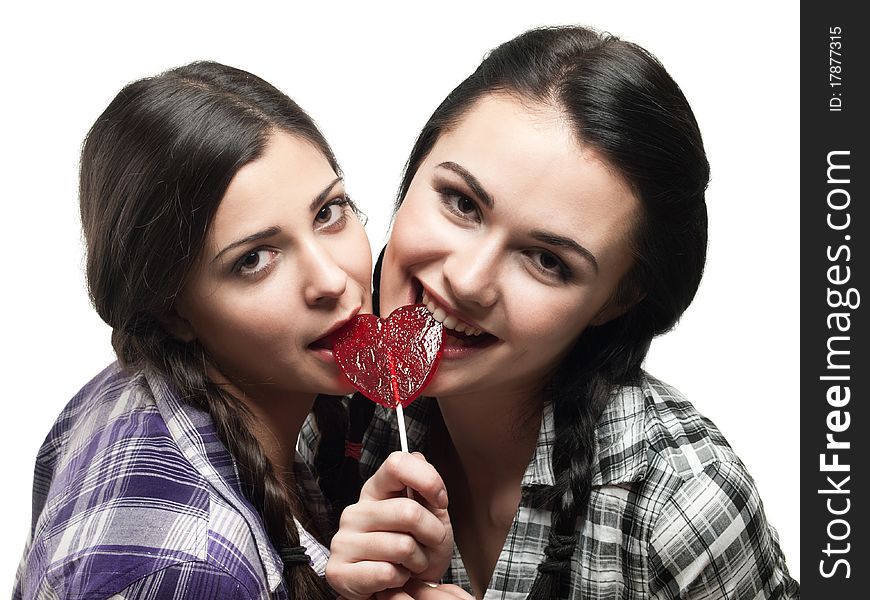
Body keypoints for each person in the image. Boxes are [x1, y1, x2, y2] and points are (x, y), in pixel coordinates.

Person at [326, 26, 800, 599]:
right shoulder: (334, 408)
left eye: (547, 260)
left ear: (616, 300)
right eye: (461, 202)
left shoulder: (680, 505)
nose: (469, 281)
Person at [13, 61, 372, 599]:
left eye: (329, 212)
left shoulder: (136, 389)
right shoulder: (189, 568)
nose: (331, 279)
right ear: (170, 311)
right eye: (254, 259)